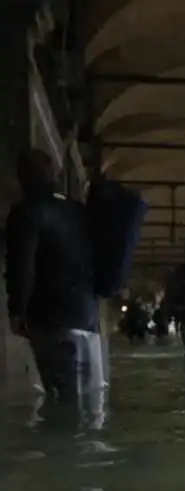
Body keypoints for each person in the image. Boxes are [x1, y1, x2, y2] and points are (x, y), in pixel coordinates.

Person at [4, 148, 103, 403]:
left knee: (62, 403)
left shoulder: (26, 212)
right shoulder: (78, 211)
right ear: (55, 174)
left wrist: (17, 310)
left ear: (22, 178)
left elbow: (21, 264)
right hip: (88, 319)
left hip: (52, 320)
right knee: (90, 401)